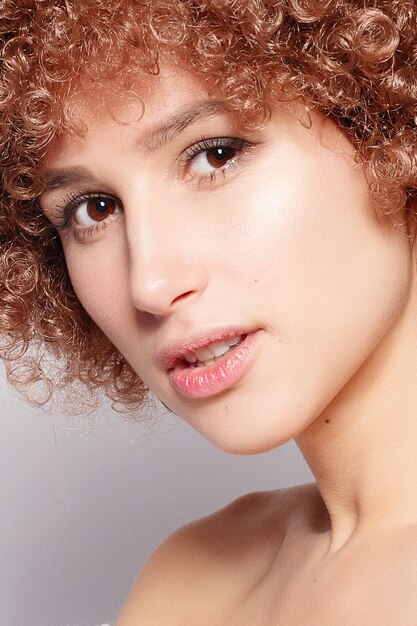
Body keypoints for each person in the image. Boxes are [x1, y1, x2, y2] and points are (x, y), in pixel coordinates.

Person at [1, 0, 417, 623]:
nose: (150, 282)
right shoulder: (191, 582)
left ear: (388, 127)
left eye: (214, 156)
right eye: (93, 208)